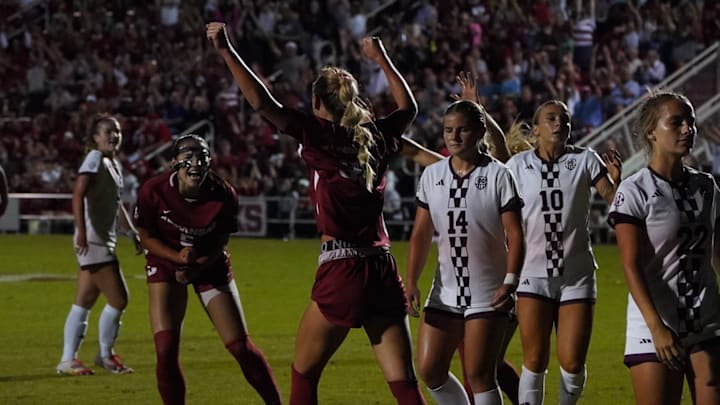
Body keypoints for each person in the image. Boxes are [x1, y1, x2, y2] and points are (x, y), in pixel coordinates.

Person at [207, 22, 429, 404]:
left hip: (342, 268)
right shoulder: (374, 135)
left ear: (316, 103)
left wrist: (226, 50)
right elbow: (409, 108)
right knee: (405, 386)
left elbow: (262, 103)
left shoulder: (318, 134)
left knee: (304, 374)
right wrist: (381, 58)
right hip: (382, 267)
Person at [133, 134, 282, 405]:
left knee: (241, 347)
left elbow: (221, 242)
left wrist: (196, 267)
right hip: (166, 261)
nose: (195, 162)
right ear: (173, 162)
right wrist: (177, 258)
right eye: (187, 156)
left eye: (201, 155)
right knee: (165, 348)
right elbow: (145, 236)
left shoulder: (224, 194)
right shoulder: (152, 190)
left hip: (209, 264)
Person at [405, 99, 525, 405]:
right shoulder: (432, 176)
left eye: (463, 130)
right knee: (430, 371)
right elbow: (420, 233)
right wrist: (411, 281)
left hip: (488, 291)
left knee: (480, 374)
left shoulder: (499, 175)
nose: (454, 137)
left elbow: (516, 234)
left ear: (479, 131)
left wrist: (510, 282)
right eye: (448, 130)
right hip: (444, 291)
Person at [505, 100, 622, 404]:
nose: (559, 125)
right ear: (537, 128)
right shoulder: (517, 166)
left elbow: (613, 199)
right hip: (532, 274)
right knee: (535, 359)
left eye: (565, 120)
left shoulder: (586, 160)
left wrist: (617, 185)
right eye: (551, 119)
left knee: (571, 363)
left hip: (577, 275)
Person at [607, 91, 720, 405]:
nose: (688, 129)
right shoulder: (634, 189)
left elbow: (717, 253)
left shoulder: (707, 186)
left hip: (706, 321)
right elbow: (631, 265)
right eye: (677, 122)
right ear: (651, 132)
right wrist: (656, 328)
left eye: (691, 122)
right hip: (655, 323)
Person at [56, 114, 138, 376]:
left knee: (84, 301)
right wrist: (81, 230)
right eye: (107, 132)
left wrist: (132, 232)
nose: (113, 135)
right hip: (94, 241)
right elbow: (78, 193)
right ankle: (105, 355)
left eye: (116, 131)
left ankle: (68, 360)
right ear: (95, 137)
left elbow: (116, 204)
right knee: (119, 298)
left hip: (102, 239)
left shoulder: (112, 163)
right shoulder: (94, 159)